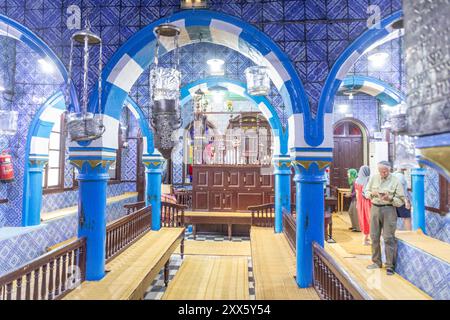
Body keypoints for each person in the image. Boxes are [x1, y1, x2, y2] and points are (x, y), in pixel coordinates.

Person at [365, 161, 405, 276]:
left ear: (389, 170)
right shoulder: (373, 178)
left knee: (388, 238)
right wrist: (371, 193)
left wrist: (390, 198)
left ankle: (389, 266)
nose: (383, 173)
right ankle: (376, 262)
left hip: (389, 210)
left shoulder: (395, 180)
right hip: (375, 209)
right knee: (374, 237)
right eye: (381, 171)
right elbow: (366, 192)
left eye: (385, 171)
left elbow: (401, 200)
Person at [355, 165, 371, 245]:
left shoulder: (357, 180)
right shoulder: (368, 179)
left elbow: (357, 193)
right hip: (368, 201)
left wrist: (357, 203)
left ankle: (366, 238)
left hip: (360, 202)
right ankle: (364, 240)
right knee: (369, 219)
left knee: (363, 218)